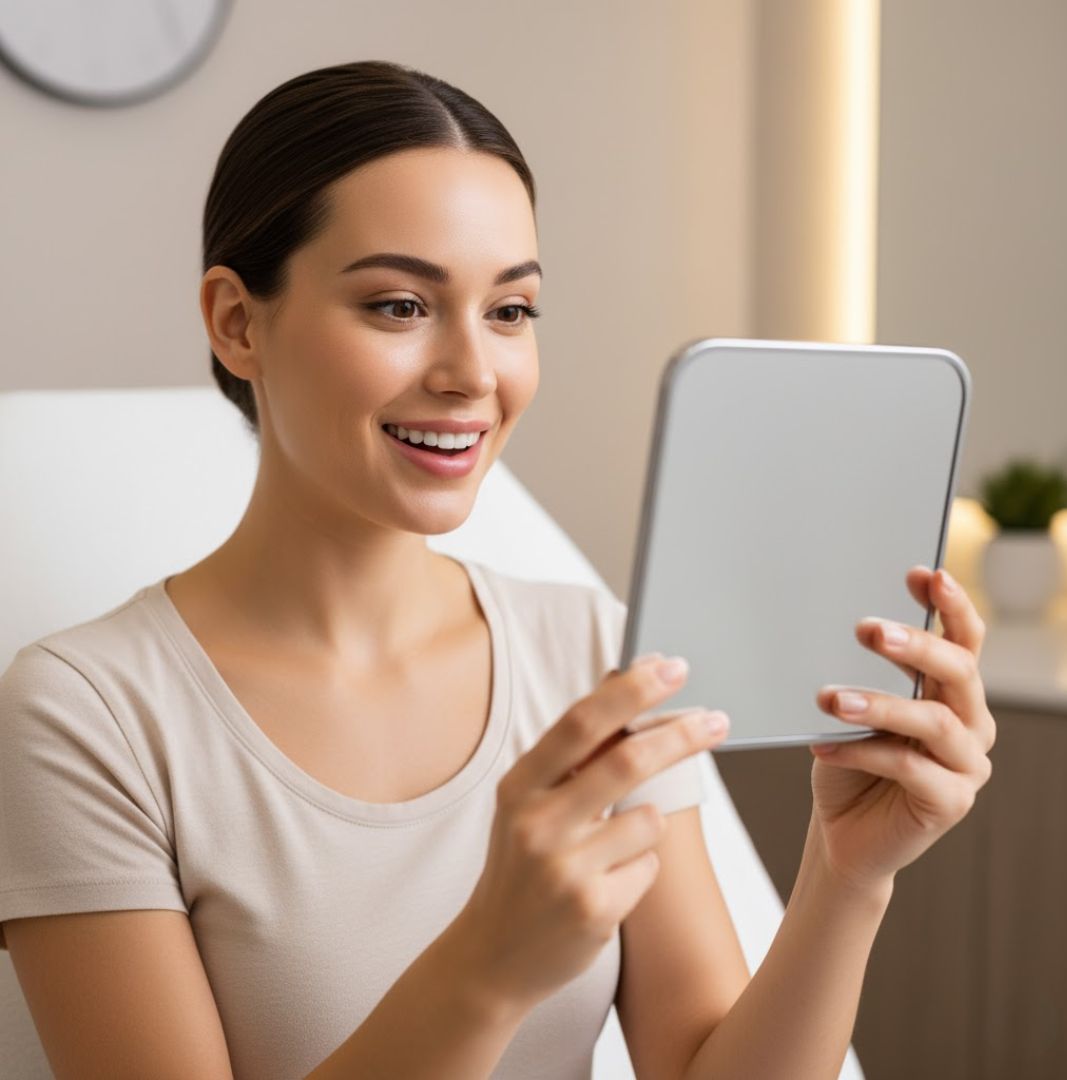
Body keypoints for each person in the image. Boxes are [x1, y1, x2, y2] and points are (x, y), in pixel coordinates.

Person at [0, 61, 995, 1080]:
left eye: (510, 312)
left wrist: (849, 875)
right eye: (398, 305)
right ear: (236, 321)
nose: (472, 374)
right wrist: (487, 967)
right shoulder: (85, 714)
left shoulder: (596, 654)